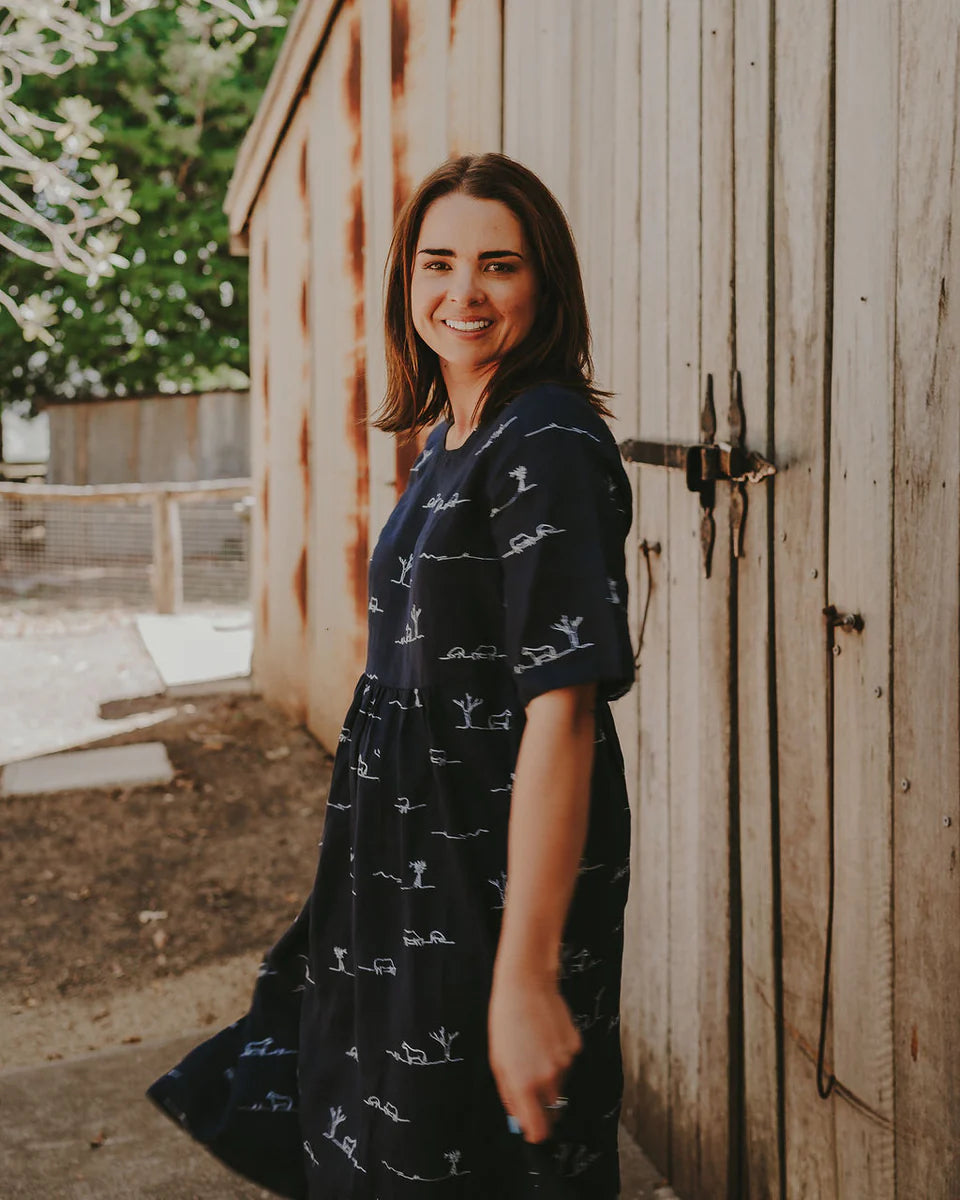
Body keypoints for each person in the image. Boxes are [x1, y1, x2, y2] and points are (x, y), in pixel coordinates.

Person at [148, 152, 636, 1199]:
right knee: (375, 1124)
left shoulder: (546, 438)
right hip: (403, 849)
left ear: (545, 282)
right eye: (438, 263)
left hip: (485, 859)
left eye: (499, 264)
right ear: (408, 280)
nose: (464, 292)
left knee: (472, 1152)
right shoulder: (453, 433)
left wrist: (526, 971)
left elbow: (563, 711)